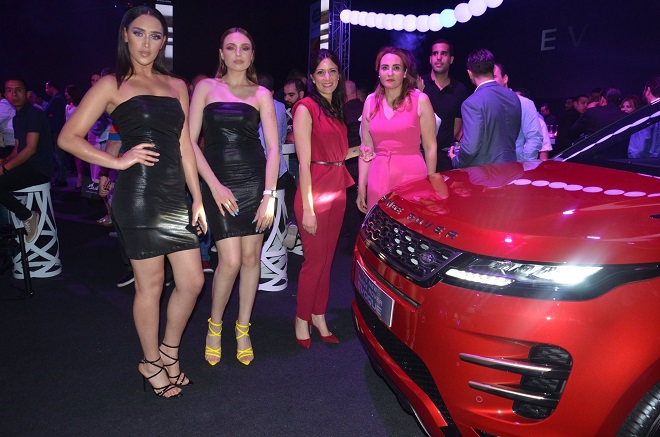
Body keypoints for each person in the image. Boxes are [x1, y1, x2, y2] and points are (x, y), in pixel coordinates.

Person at [58, 6, 207, 398]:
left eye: (155, 36)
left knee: (192, 281)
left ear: (163, 42)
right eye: (139, 33)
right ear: (125, 35)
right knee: (151, 285)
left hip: (174, 195)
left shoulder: (176, 85)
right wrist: (117, 161)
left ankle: (169, 352)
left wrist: (196, 197)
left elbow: (185, 146)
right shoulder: (112, 84)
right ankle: (151, 361)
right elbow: (68, 136)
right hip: (138, 196)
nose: (146, 43)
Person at [189, 27, 279, 366]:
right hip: (218, 181)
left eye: (245, 48)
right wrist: (213, 186)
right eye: (231, 47)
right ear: (221, 53)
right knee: (228, 261)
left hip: (255, 181)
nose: (238, 54)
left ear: (252, 55)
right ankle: (215, 326)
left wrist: (269, 195)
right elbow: (190, 143)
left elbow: (273, 149)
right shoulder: (205, 88)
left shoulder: (262, 94)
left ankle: (243, 328)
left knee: (251, 258)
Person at [293, 49, 354, 348]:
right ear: (312, 78)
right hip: (314, 192)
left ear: (339, 75)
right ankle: (301, 318)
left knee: (327, 262)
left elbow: (337, 155)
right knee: (313, 262)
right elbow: (304, 163)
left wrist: (361, 151)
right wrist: (308, 209)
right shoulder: (305, 108)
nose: (327, 77)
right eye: (320, 72)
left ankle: (318, 315)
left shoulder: (335, 108)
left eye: (331, 71)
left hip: (337, 190)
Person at [357, 46, 437, 212]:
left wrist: (431, 182)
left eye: (396, 68)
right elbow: (366, 148)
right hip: (378, 176)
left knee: (409, 225)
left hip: (412, 176)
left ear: (405, 72)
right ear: (379, 72)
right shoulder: (370, 101)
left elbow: (430, 147)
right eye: (385, 68)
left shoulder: (420, 100)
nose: (390, 73)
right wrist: (361, 187)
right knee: (379, 225)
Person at [0, 77, 53, 243]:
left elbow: (30, 149)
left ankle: (28, 216)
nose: (14, 94)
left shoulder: (34, 114)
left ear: (27, 94)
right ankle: (9, 226)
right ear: (5, 95)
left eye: (18, 90)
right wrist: (5, 160)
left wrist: (5, 168)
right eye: (9, 90)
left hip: (39, 169)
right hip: (28, 166)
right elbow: (18, 147)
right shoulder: (17, 118)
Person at [449, 49, 521, 168]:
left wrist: (456, 160)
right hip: (510, 168)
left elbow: (470, 149)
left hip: (485, 173)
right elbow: (513, 135)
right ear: (492, 69)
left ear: (470, 73)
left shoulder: (471, 103)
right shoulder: (513, 96)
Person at [418, 39, 469, 171]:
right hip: (420, 155)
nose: (439, 58)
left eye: (444, 53)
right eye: (435, 53)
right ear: (430, 59)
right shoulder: (419, 85)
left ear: (451, 59)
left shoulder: (459, 89)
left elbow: (457, 124)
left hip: (445, 158)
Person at [493, 63, 543, 161]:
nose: (490, 82)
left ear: (505, 78)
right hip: (487, 167)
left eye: (494, 77)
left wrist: (522, 164)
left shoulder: (523, 103)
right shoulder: (484, 103)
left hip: (513, 166)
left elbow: (534, 138)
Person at [628, 75, 660, 158]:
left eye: (644, 90)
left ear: (648, 90)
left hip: (644, 163)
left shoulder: (645, 114)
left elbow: (637, 150)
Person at [44, 80, 67, 186]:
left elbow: (46, 112)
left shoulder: (57, 99)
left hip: (57, 131)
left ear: (52, 87)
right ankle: (61, 177)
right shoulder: (59, 98)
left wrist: (50, 116)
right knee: (59, 155)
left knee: (59, 155)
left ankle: (62, 179)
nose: (45, 90)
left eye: (47, 88)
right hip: (58, 130)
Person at [64, 85, 85, 188]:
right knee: (74, 157)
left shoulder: (79, 105)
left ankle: (81, 177)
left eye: (67, 92)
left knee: (78, 156)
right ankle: (79, 176)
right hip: (69, 133)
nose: (65, 93)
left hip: (78, 133)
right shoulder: (67, 106)